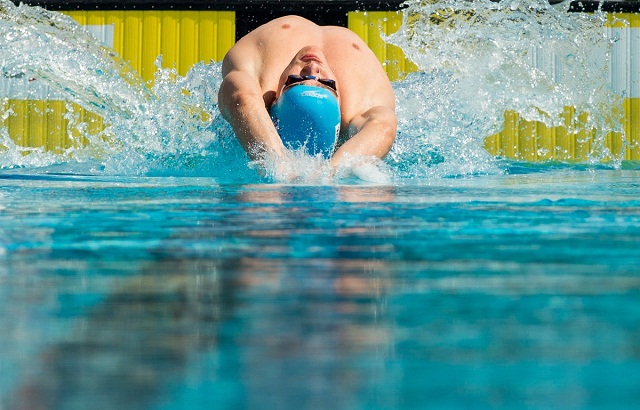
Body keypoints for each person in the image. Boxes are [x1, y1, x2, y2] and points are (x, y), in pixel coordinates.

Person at [218, 15, 397, 175]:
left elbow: (241, 97)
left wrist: (279, 165)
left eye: (294, 80)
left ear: (275, 99)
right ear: (338, 100)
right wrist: (331, 172)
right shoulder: (362, 102)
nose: (312, 67)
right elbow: (384, 127)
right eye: (327, 84)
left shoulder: (261, 85)